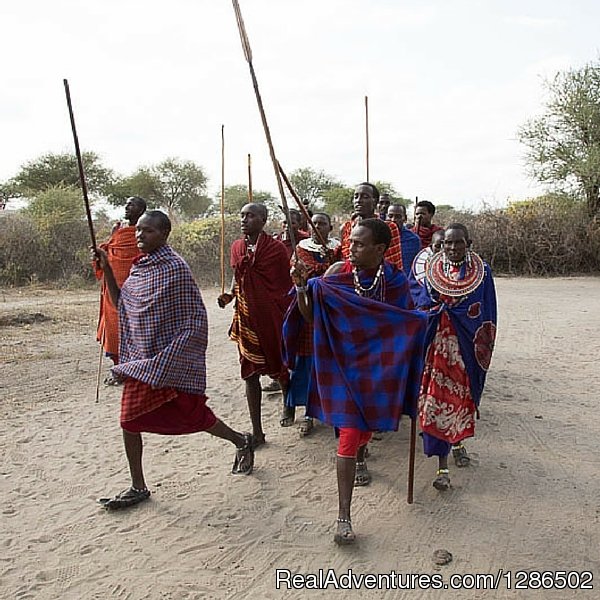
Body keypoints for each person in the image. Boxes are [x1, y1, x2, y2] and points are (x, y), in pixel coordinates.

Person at [94, 210, 254, 510]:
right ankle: (138, 485)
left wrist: (171, 357)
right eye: (139, 230)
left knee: (194, 415)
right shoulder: (140, 268)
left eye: (149, 231)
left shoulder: (175, 268)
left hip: (170, 359)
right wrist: (108, 273)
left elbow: (193, 320)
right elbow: (124, 307)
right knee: (128, 420)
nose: (140, 235)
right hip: (142, 361)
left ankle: (240, 439)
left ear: (164, 234)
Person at [287, 218, 427, 544]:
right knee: (349, 434)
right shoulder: (336, 275)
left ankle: (363, 453)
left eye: (360, 244)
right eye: (351, 242)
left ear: (380, 249)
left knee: (365, 429)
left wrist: (422, 323)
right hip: (344, 366)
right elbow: (311, 316)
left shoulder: (394, 282)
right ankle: (343, 517)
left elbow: (404, 323)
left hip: (378, 370)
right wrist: (302, 288)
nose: (352, 248)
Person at [418, 224, 497, 491]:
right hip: (436, 349)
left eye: (458, 243)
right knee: (435, 403)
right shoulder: (430, 270)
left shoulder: (482, 273)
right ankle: (442, 466)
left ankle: (458, 441)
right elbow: (421, 304)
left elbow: (485, 312)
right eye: (447, 243)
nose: (452, 248)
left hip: (465, 349)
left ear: (469, 243)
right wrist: (434, 313)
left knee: (460, 402)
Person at [218, 203, 292, 447]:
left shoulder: (277, 250)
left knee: (279, 367)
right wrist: (229, 295)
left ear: (263, 220)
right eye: (242, 215)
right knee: (250, 374)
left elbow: (283, 285)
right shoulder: (237, 247)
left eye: (250, 216)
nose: (244, 219)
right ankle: (257, 431)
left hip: (271, 317)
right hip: (246, 317)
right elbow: (237, 277)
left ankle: (287, 402)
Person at [283, 212, 341, 435]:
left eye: (322, 223)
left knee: (332, 361)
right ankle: (308, 413)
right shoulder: (302, 250)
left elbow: (340, 274)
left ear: (330, 227)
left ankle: (335, 411)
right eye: (314, 223)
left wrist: (333, 261)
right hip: (308, 308)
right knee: (307, 363)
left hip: (333, 311)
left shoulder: (339, 249)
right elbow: (303, 276)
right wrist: (325, 268)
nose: (318, 226)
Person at [94, 196, 146, 382]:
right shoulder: (118, 229)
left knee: (135, 326)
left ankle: (133, 367)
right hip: (113, 283)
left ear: (141, 210)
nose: (127, 207)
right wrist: (101, 255)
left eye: (131, 204)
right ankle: (118, 367)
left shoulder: (145, 232)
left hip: (136, 287)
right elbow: (111, 252)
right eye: (126, 203)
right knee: (114, 324)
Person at [340, 183, 404, 271]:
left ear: (375, 201)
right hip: (348, 280)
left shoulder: (388, 227)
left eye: (365, 197)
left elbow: (393, 264)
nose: (358, 200)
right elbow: (343, 261)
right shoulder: (346, 228)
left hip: (381, 280)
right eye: (356, 197)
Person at [387, 203, 421, 275]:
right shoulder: (379, 237)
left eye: (398, 217)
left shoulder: (413, 240)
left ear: (405, 218)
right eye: (390, 216)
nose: (393, 220)